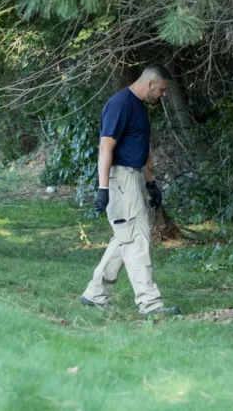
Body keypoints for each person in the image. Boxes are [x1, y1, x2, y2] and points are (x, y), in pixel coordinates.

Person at [80, 64, 182, 317]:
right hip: (121, 180)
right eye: (161, 89)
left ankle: (95, 295)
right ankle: (151, 305)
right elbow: (106, 147)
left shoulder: (138, 107)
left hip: (133, 178)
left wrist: (150, 183)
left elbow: (140, 151)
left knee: (124, 238)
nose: (163, 95)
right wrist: (103, 188)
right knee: (136, 241)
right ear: (149, 84)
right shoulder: (121, 103)